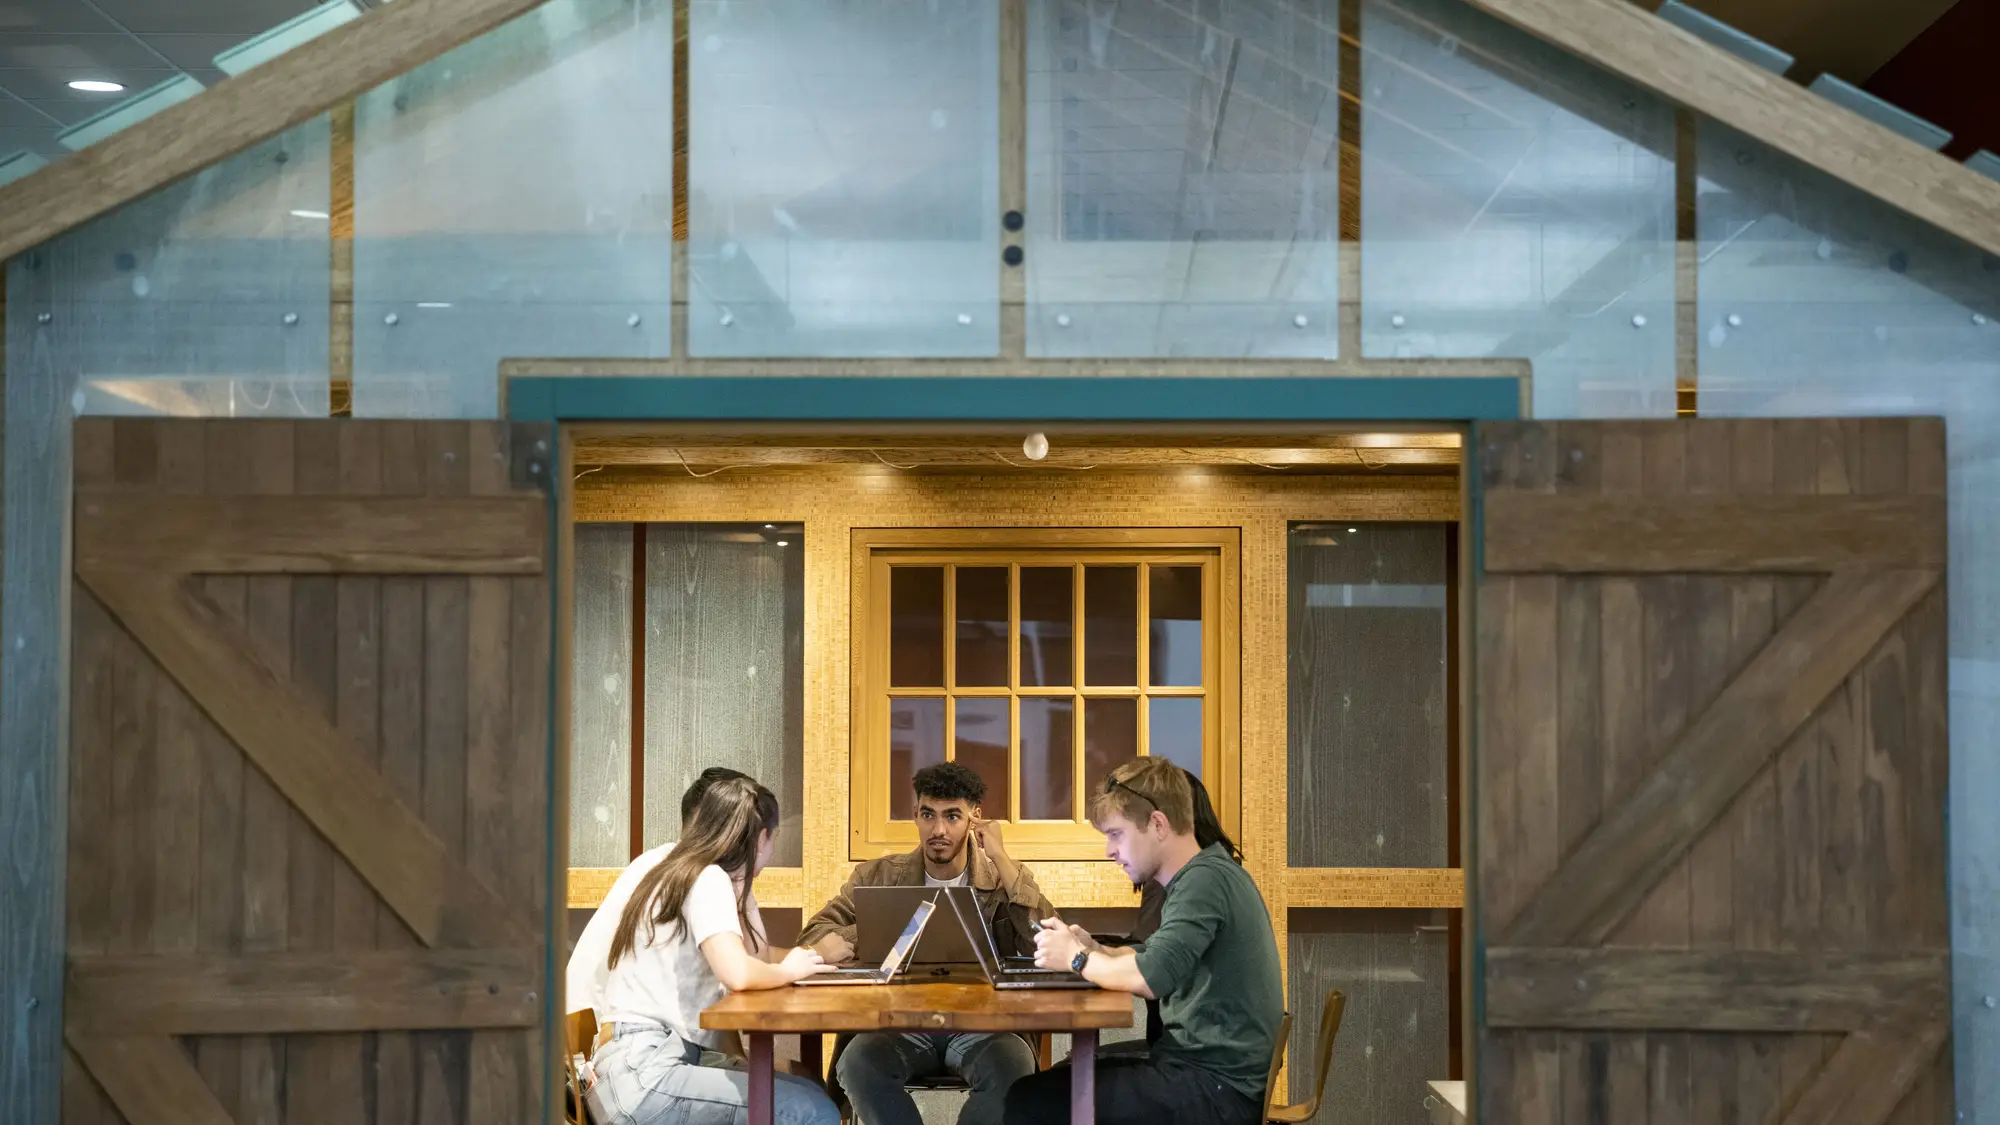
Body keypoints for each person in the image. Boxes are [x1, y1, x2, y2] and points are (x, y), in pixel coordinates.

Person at [1003, 759, 1283, 1125]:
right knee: (1058, 1082)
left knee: (1029, 1100)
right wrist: (1096, 949)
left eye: (1116, 834)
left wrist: (1077, 959)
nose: (1109, 850)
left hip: (1219, 1089)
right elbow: (1157, 953)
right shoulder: (1205, 874)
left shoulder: (1204, 882)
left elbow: (1152, 977)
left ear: (1158, 824)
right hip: (1209, 1072)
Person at [800, 762, 1052, 1125]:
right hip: (898, 1023)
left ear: (974, 819)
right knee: (856, 1063)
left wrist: (999, 855)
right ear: (914, 815)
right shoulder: (879, 877)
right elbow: (814, 936)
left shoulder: (1004, 878)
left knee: (1014, 1064)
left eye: (953, 816)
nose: (938, 829)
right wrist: (891, 930)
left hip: (982, 1025)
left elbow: (1045, 939)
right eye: (928, 815)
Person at [586, 775, 841, 1125]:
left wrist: (744, 888)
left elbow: (757, 953)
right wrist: (790, 970)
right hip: (645, 1075)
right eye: (772, 836)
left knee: (809, 1090)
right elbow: (738, 973)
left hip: (639, 1065)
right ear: (761, 838)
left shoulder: (687, 872)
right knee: (813, 1111)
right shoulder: (707, 879)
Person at [568, 766, 755, 1020]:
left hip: (628, 1039)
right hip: (622, 1040)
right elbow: (739, 972)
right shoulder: (692, 874)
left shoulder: (676, 867)